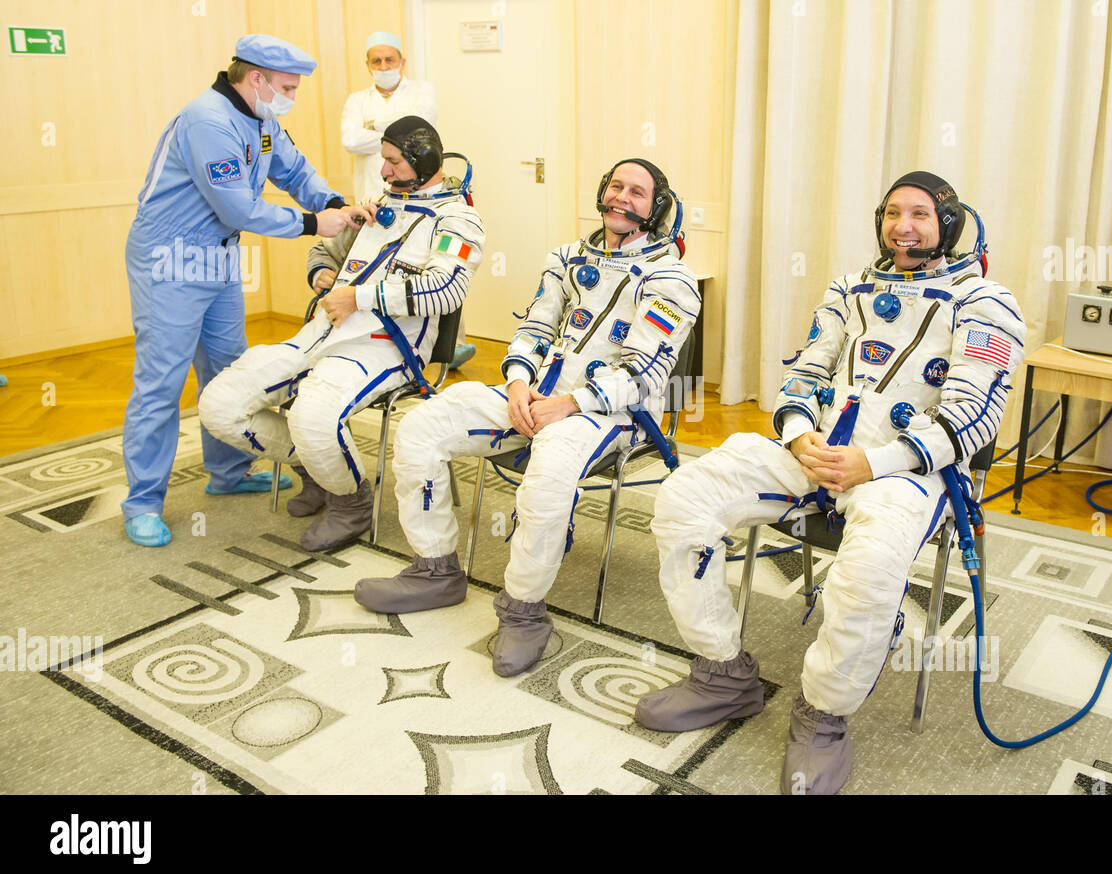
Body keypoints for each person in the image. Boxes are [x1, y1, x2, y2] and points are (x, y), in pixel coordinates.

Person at [635, 172, 1026, 794]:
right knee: (686, 494)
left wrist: (874, 464)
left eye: (921, 214)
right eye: (893, 212)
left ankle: (822, 717)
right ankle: (722, 673)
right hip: (817, 451)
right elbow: (803, 374)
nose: (903, 226)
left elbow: (973, 418)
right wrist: (796, 435)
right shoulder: (850, 287)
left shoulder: (986, 303)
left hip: (907, 472)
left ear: (948, 225)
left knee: (869, 569)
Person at [353, 159, 700, 678]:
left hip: (613, 411)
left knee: (549, 471)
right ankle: (435, 570)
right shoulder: (566, 257)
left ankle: (523, 613)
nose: (621, 198)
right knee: (424, 425)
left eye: (637, 192)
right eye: (615, 186)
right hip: (537, 393)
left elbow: (646, 371)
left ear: (658, 208)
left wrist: (570, 404)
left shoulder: (673, 279)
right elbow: (535, 329)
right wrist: (517, 384)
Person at [122, 34, 376, 548]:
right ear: (255, 77)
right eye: (286, 87)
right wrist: (313, 223)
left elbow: (293, 168)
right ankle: (143, 501)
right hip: (170, 261)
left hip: (216, 260)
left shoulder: (261, 118)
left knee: (227, 369)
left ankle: (229, 473)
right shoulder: (208, 121)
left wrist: (334, 203)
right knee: (161, 384)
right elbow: (237, 207)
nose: (291, 97)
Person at [199, 117, 484, 551]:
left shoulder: (458, 221)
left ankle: (351, 502)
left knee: (311, 417)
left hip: (388, 348)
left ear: (423, 160)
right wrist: (324, 271)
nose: (384, 172)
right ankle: (318, 469)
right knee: (220, 406)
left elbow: (446, 289)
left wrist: (360, 298)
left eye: (392, 162)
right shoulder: (377, 205)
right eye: (383, 162)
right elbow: (323, 247)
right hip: (321, 332)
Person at [340, 32, 472, 370]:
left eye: (390, 59)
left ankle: (444, 346)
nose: (384, 66)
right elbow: (351, 140)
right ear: (367, 65)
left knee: (425, 263)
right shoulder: (357, 99)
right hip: (376, 200)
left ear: (402, 61)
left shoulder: (455, 218)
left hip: (422, 204)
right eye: (376, 61)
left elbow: (418, 127)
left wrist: (375, 129)